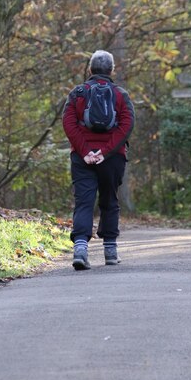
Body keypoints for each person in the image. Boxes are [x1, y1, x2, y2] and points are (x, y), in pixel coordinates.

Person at [62, 50, 135, 270]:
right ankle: (110, 252)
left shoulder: (77, 93)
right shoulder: (121, 95)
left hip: (82, 158)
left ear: (90, 69)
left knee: (84, 201)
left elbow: (68, 123)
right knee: (110, 200)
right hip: (112, 158)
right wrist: (106, 152)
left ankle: (81, 251)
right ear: (112, 70)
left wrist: (85, 151)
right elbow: (127, 125)